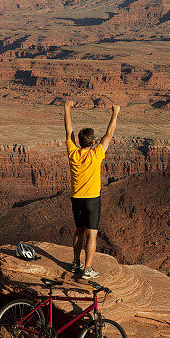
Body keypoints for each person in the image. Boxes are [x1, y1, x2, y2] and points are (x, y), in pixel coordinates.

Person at [64, 100, 120, 278]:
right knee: (92, 235)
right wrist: (115, 113)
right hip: (92, 199)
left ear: (79, 141)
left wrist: (66, 108)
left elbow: (68, 131)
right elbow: (109, 134)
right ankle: (87, 269)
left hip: (76, 198)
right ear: (92, 142)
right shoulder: (97, 154)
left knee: (78, 230)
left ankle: (75, 263)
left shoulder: (72, 153)